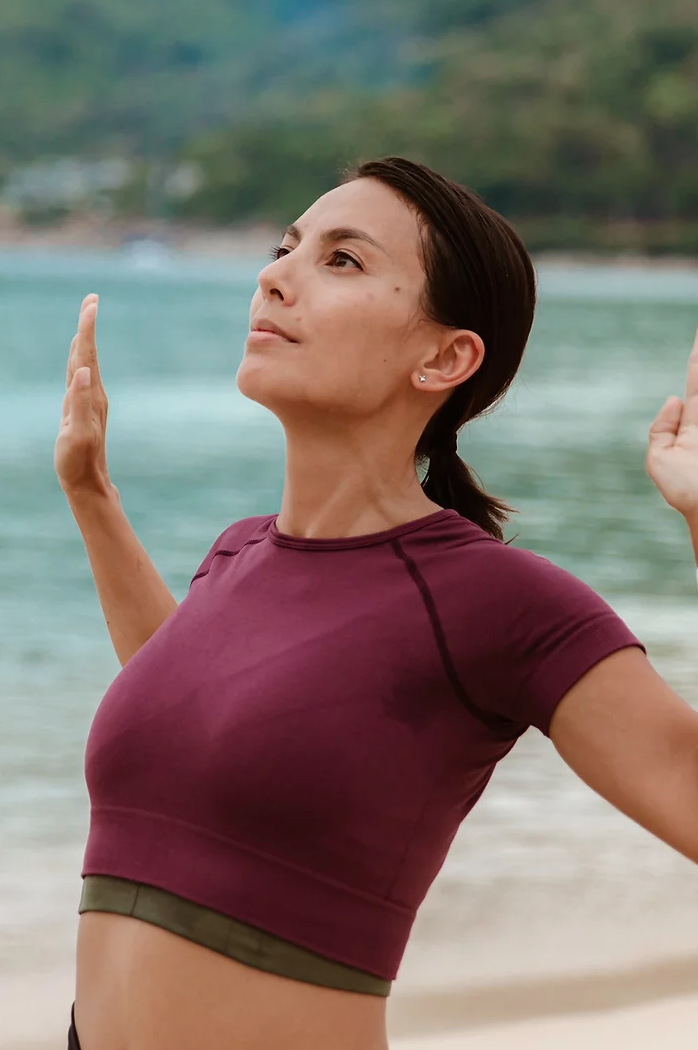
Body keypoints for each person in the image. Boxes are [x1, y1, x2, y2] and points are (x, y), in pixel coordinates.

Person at [54, 157, 698, 1050]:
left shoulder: (495, 600)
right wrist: (93, 497)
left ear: (445, 357)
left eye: (341, 260)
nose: (273, 276)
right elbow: (209, 714)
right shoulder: (237, 553)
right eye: (286, 248)